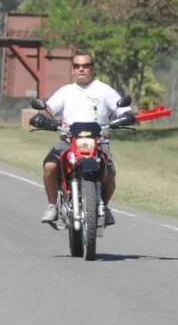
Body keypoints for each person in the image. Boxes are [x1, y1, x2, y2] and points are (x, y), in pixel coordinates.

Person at [39, 51, 131, 227]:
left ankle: (104, 206)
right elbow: (48, 109)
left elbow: (122, 110)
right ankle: (52, 206)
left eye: (86, 66)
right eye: (77, 66)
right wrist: (42, 116)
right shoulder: (65, 91)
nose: (81, 69)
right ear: (72, 70)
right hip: (68, 141)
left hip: (99, 142)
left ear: (93, 69)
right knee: (50, 166)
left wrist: (125, 117)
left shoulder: (104, 90)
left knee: (110, 172)